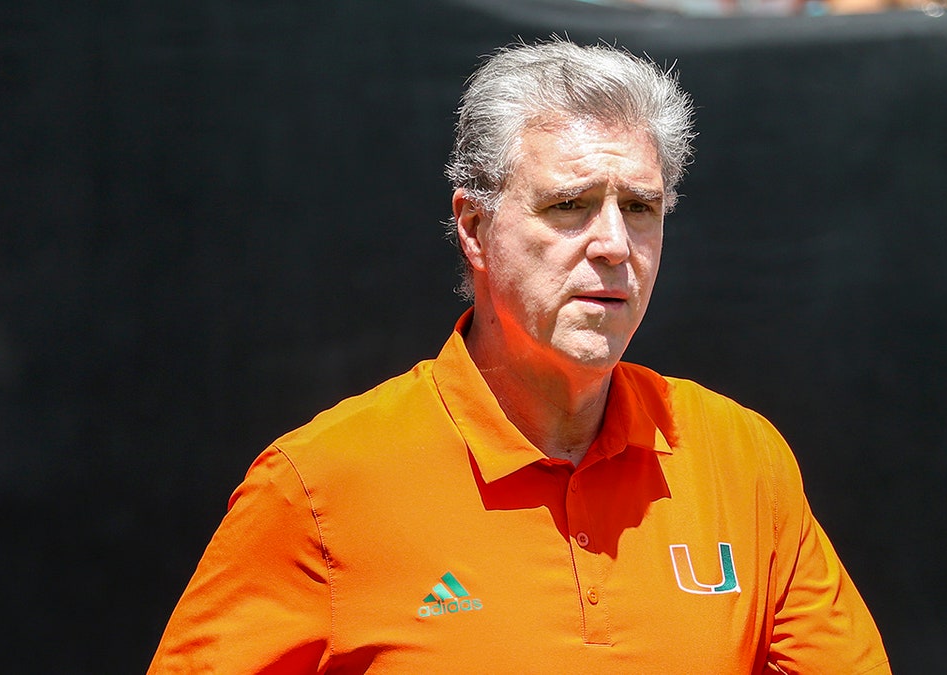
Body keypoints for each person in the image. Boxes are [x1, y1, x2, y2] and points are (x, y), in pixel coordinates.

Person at [149, 39, 890, 674]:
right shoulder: (318, 487)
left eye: (640, 208)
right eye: (570, 204)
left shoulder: (741, 459)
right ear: (474, 227)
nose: (614, 244)